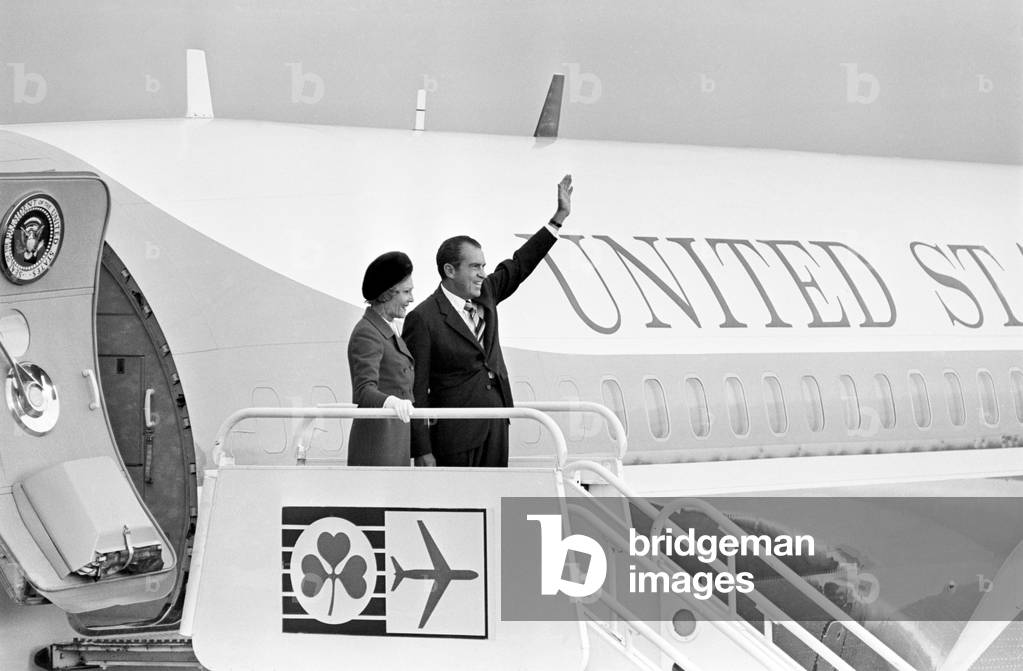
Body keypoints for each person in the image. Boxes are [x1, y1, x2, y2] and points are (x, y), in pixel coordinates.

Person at [402, 175, 573, 467]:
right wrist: (422, 450)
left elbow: (520, 264)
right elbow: (417, 390)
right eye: (474, 267)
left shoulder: (487, 293)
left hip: (496, 423)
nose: (483, 273)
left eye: (483, 265)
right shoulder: (424, 318)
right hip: (455, 437)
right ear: (450, 270)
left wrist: (557, 220)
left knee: (495, 503)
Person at [346, 251, 416, 466]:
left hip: (394, 433)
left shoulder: (386, 328)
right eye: (406, 292)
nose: (411, 299)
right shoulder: (367, 332)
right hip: (378, 440)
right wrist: (391, 402)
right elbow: (363, 390)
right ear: (387, 294)